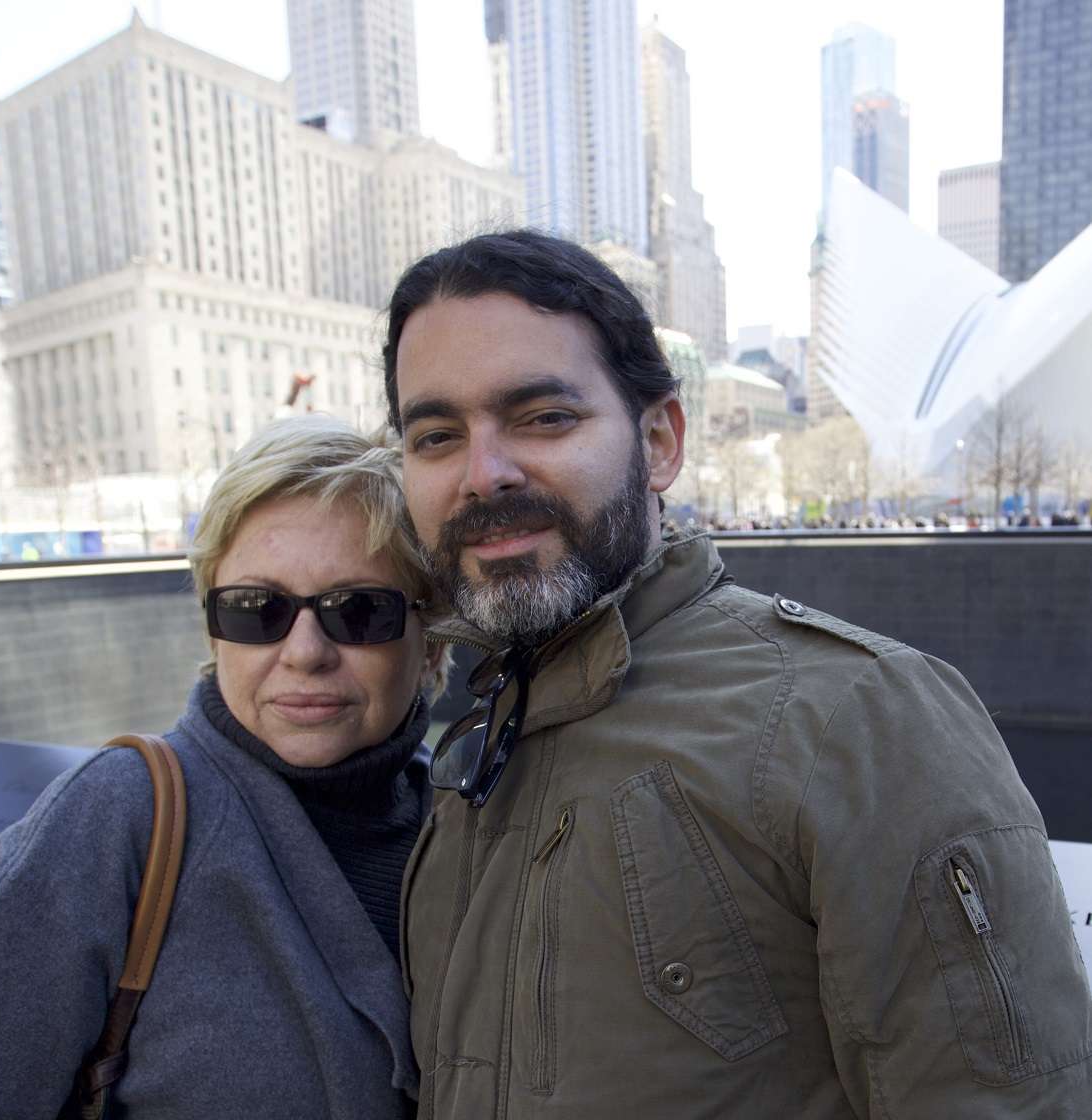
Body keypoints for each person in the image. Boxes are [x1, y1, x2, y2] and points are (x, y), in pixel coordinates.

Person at [381, 229, 1092, 1119]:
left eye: (544, 418)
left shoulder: (858, 717)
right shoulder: (477, 753)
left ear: (662, 440)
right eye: (437, 435)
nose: (483, 474)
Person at [0, 415, 446, 1119]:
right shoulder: (115, 818)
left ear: (432, 642)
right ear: (213, 626)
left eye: (357, 610)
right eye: (256, 608)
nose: (304, 652)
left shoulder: (474, 828)